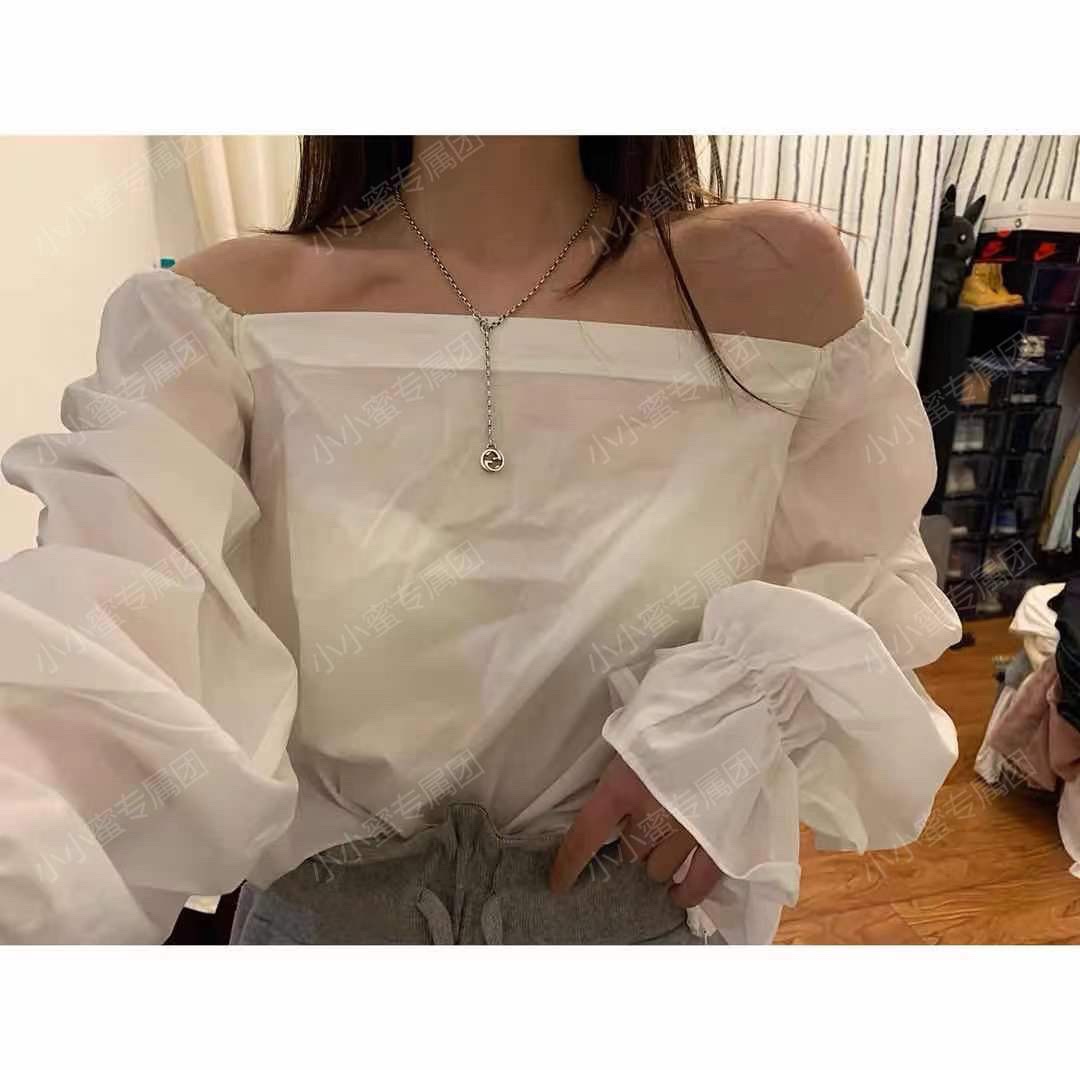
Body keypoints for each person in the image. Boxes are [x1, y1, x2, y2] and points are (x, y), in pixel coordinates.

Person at [0, 136, 960, 945]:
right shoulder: (219, 315)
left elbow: (855, 575)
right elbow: (100, 650)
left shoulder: (768, 281)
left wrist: (733, 723)